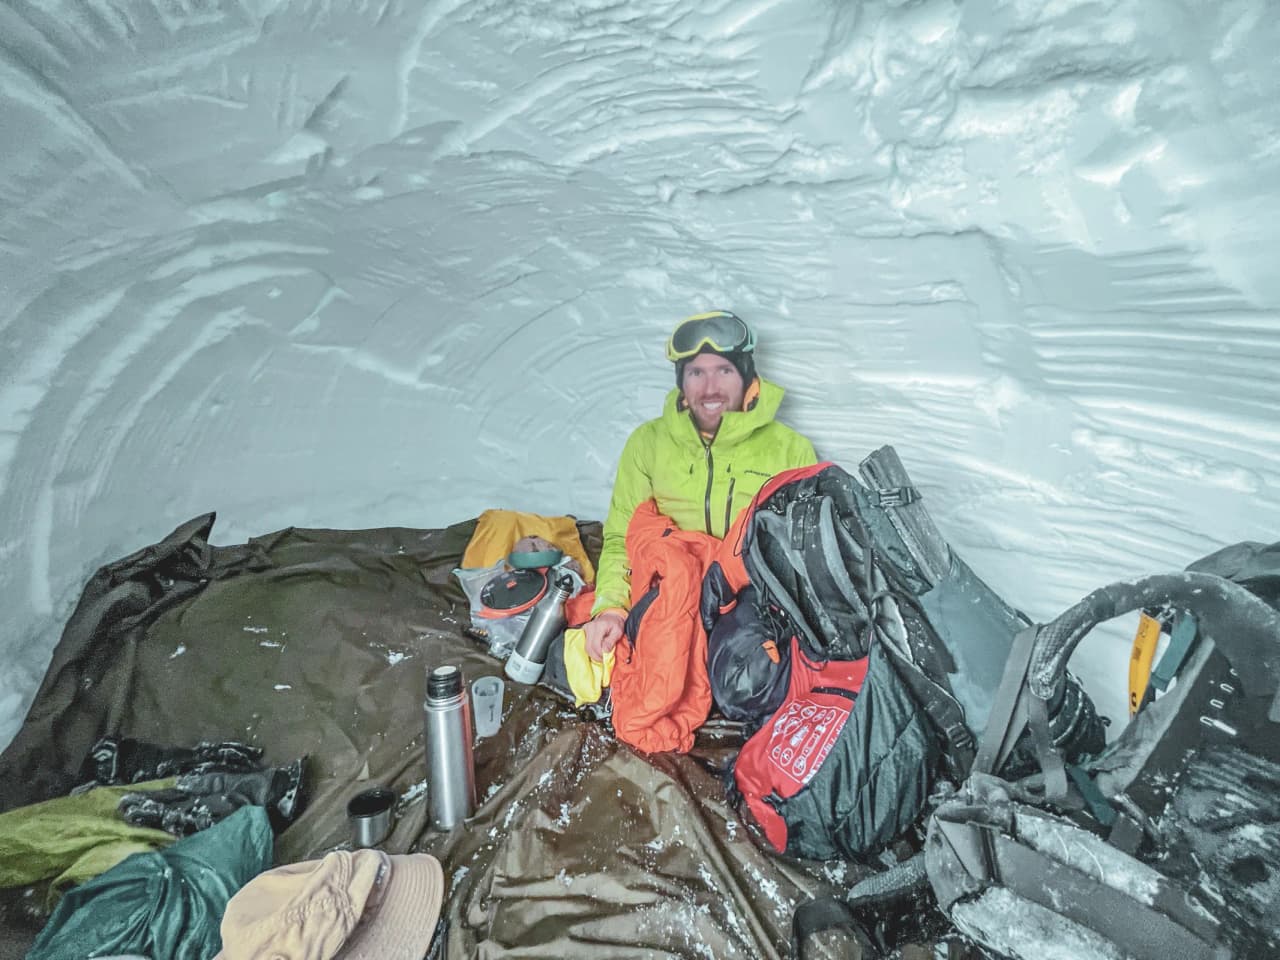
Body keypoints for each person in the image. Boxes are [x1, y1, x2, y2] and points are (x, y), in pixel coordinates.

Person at [584, 310, 818, 660]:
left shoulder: (791, 450)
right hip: (670, 599)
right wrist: (611, 608)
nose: (710, 388)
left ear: (746, 374)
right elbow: (621, 539)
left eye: (723, 370)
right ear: (681, 379)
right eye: (696, 372)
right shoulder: (647, 444)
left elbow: (807, 557)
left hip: (750, 607)